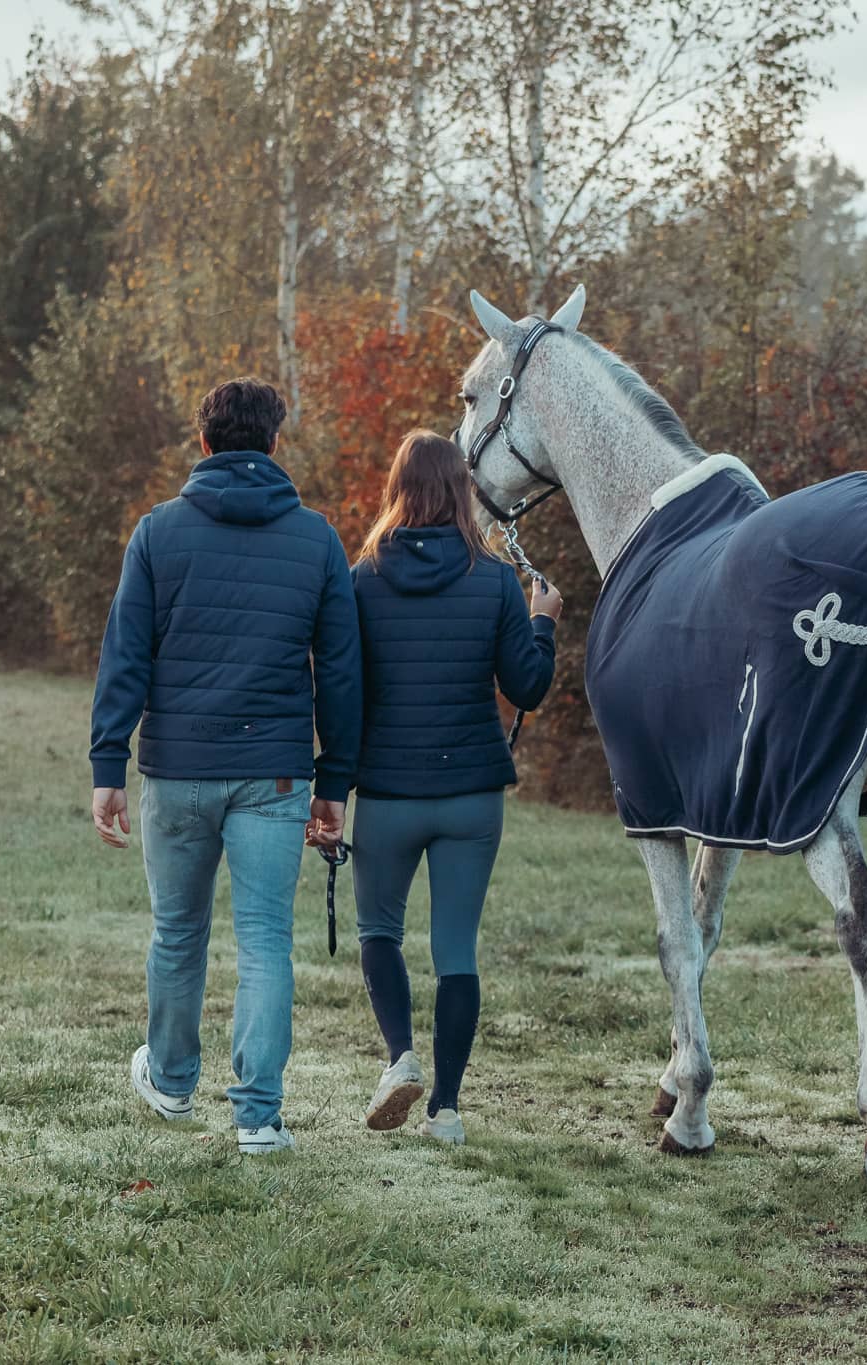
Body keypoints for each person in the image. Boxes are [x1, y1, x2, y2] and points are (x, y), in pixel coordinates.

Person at [90, 377, 361, 1156]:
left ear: (203, 442)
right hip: (275, 775)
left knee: (177, 933)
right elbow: (341, 674)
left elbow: (125, 656)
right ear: (274, 444)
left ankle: (172, 1083)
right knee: (266, 941)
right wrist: (333, 781)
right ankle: (258, 1117)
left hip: (176, 767)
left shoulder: (157, 532)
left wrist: (109, 762)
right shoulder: (316, 539)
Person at [344, 430, 560, 1145]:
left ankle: (400, 1056)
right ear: (464, 488)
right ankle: (446, 1109)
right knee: (456, 951)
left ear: (397, 489)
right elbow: (526, 685)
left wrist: (330, 782)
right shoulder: (496, 579)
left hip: (385, 789)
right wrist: (543, 622)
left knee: (379, 930)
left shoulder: (363, 578)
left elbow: (345, 693)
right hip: (471, 792)